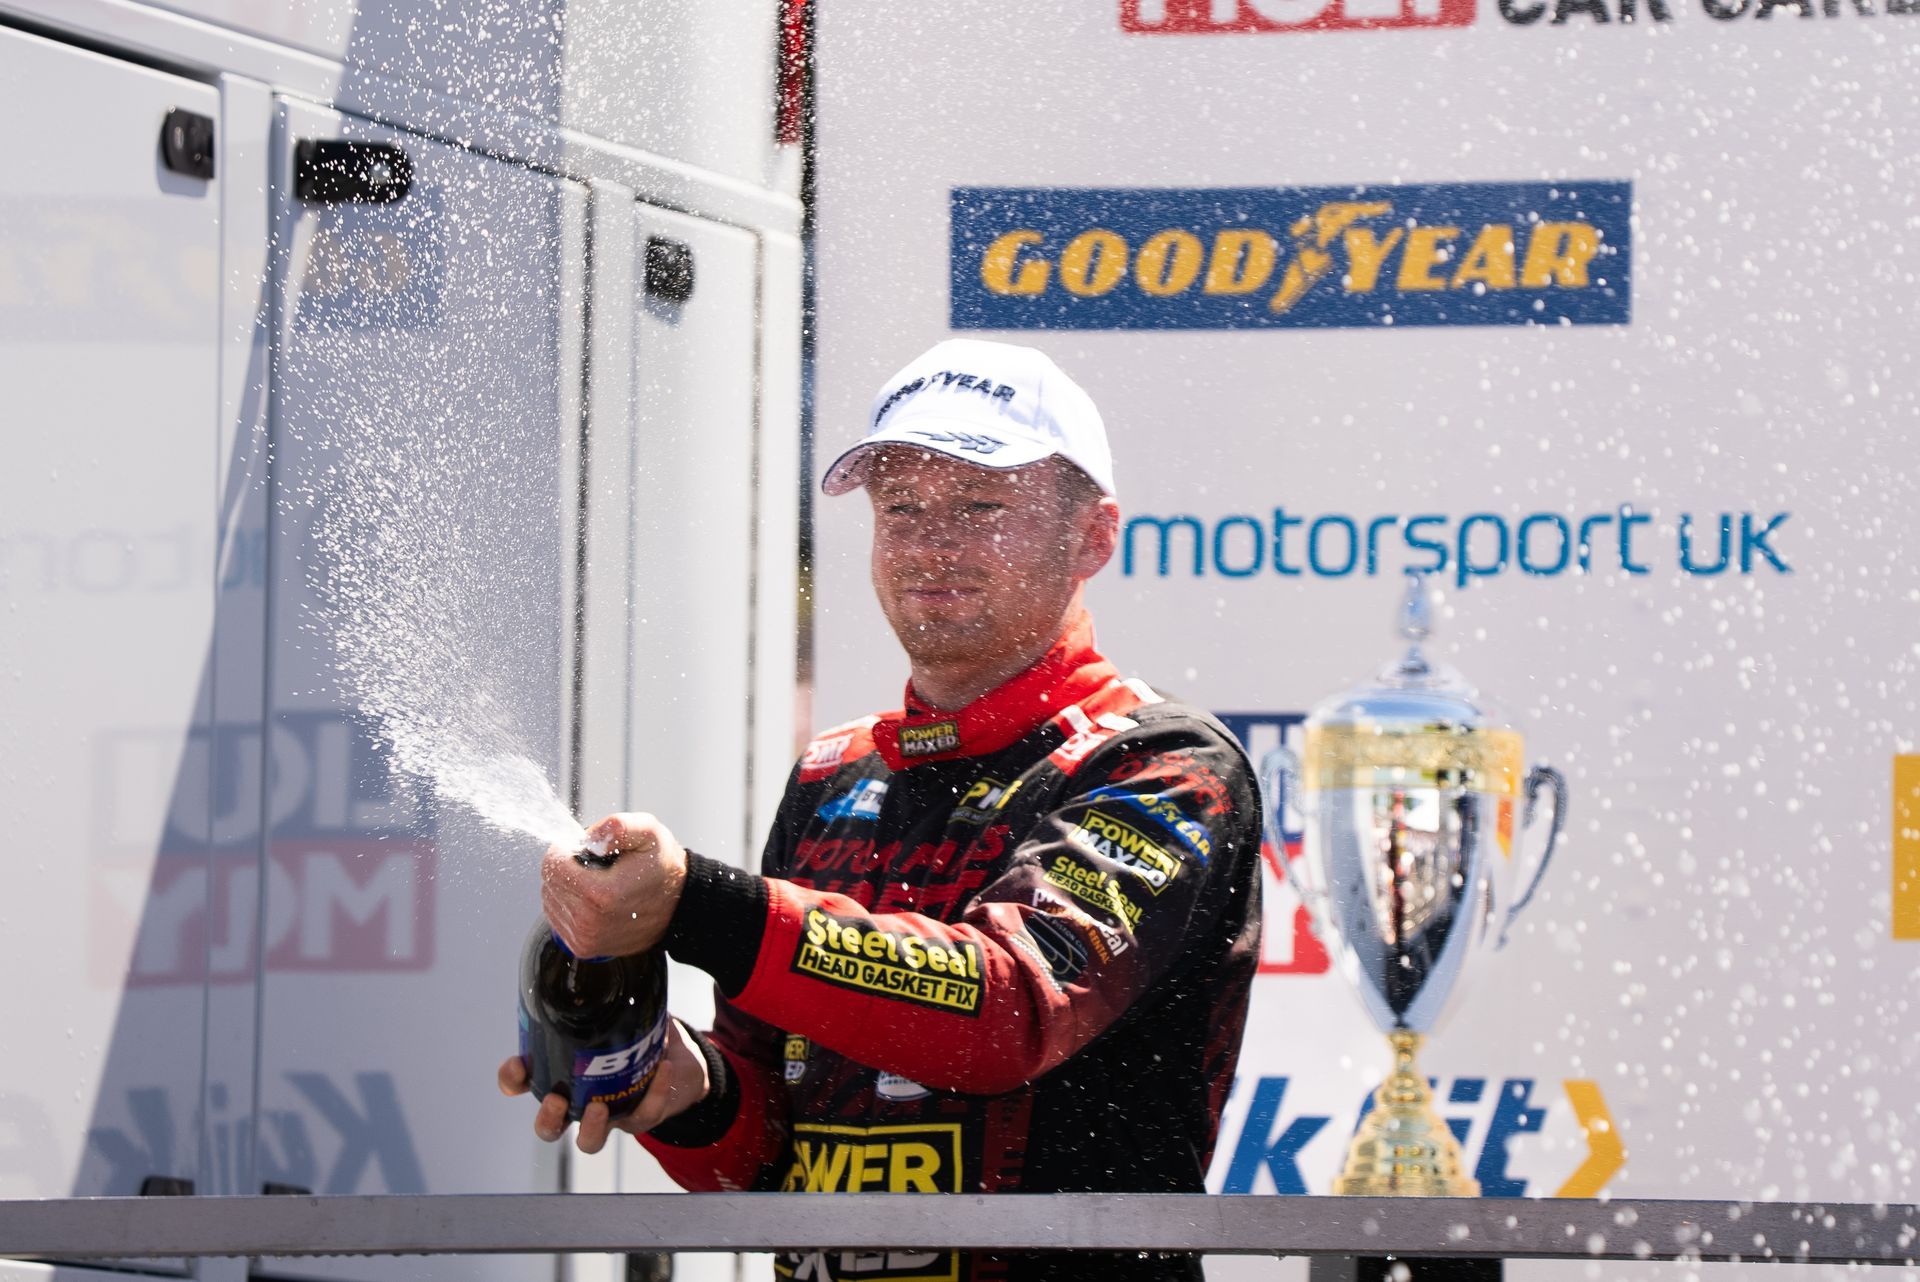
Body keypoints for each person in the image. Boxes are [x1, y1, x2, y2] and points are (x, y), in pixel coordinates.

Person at [501, 338, 1263, 1282]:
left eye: (983, 507)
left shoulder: (1161, 766)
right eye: (901, 507)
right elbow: (764, 1157)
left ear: (1093, 537)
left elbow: (1006, 1011)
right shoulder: (832, 773)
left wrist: (696, 904)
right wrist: (678, 1093)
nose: (933, 543)